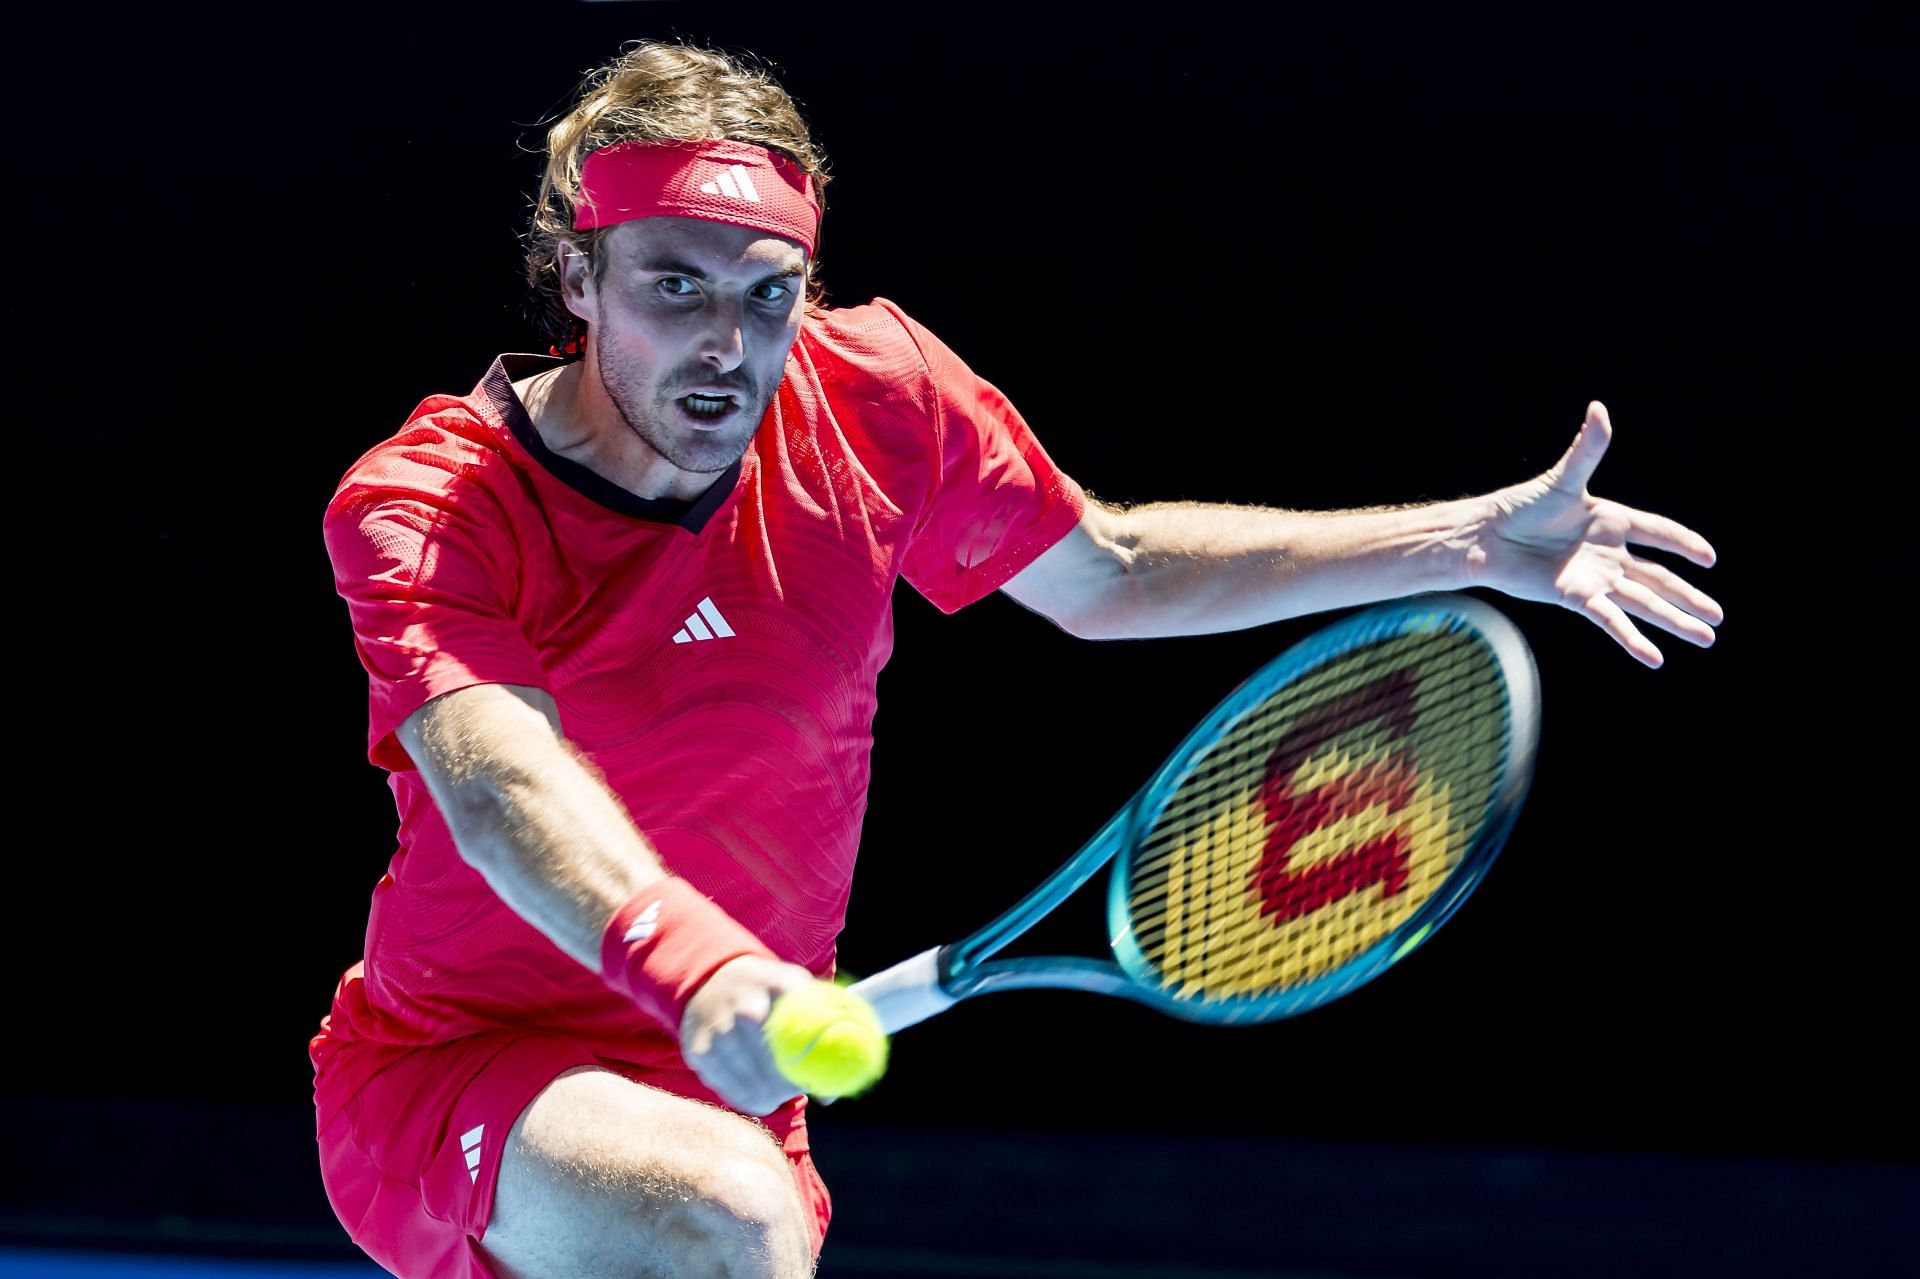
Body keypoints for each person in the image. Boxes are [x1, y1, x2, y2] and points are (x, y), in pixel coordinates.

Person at [307, 38, 1722, 1279]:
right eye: (674, 287)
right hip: (460, 1062)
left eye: (767, 293)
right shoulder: (434, 505)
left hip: (747, 1067)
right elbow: (499, 779)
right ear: (577, 274)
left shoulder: (879, 404)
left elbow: (1110, 573)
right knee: (723, 1221)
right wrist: (692, 968)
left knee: (734, 1212)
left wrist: (1465, 540)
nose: (726, 345)